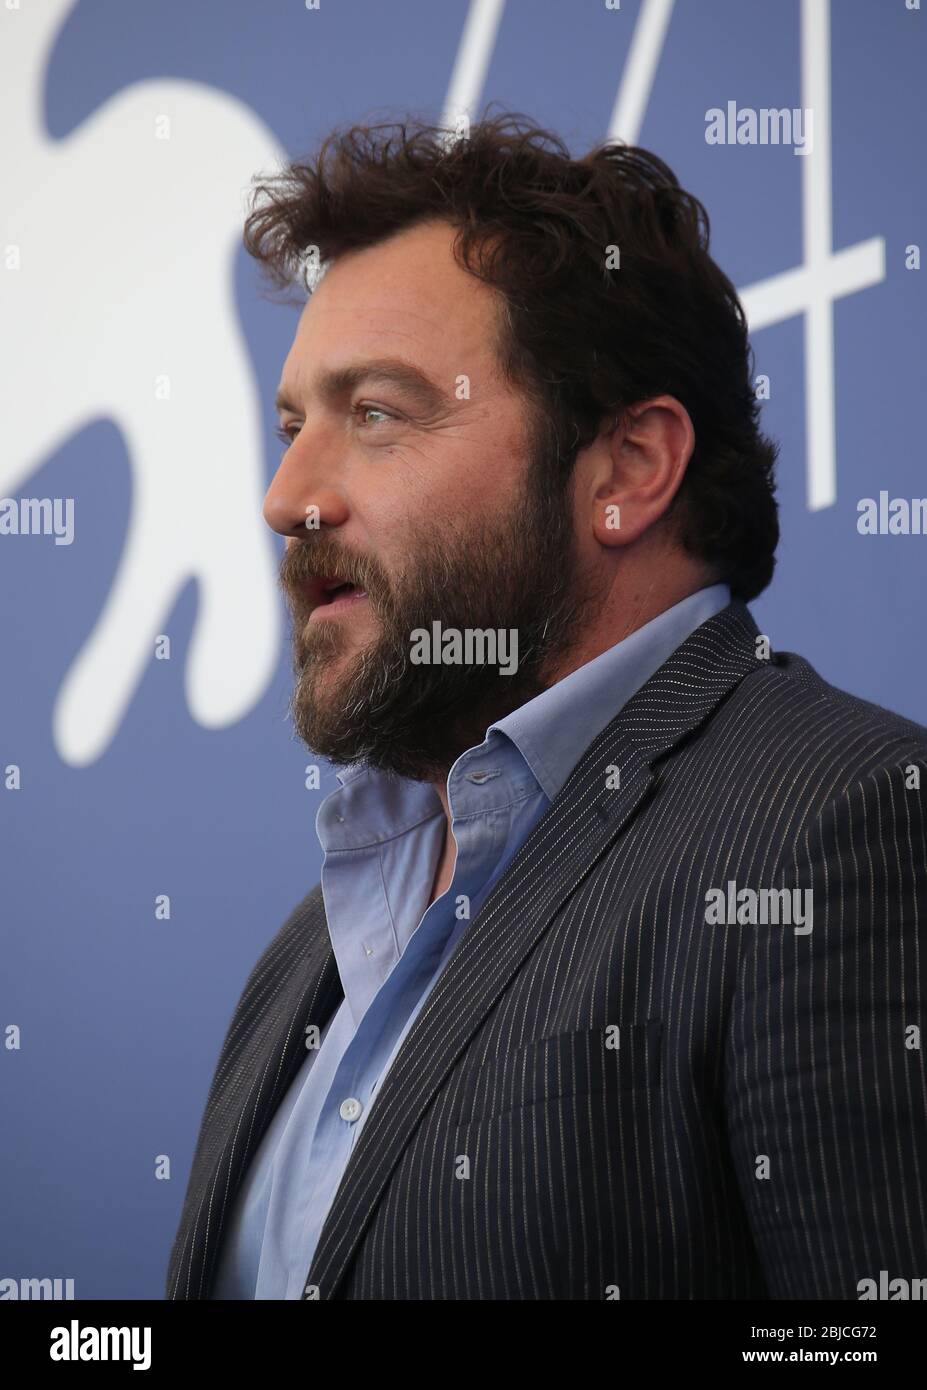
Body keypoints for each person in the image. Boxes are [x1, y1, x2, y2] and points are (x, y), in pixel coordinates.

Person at [166, 113, 927, 1301]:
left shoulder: (843, 827)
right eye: (291, 425)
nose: (287, 497)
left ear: (626, 470)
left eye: (375, 412)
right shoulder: (300, 960)